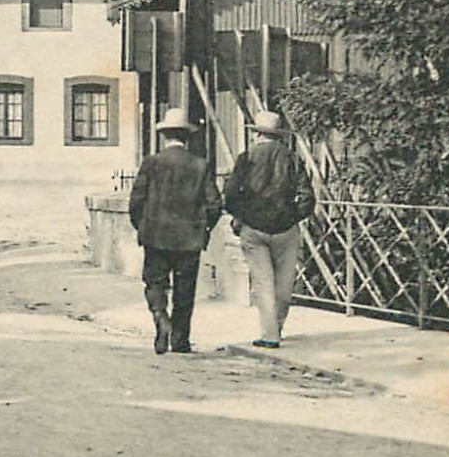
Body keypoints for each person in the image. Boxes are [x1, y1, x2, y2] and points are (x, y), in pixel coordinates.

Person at [128, 108, 221, 355]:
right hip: (189, 239)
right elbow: (214, 204)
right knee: (185, 290)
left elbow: (136, 200)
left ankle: (160, 317)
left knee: (155, 282)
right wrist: (204, 227)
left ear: (164, 136)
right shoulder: (200, 165)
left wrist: (143, 225)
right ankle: (180, 341)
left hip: (156, 237)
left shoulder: (152, 163)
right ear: (187, 137)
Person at [223, 110, 314, 349]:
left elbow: (231, 195)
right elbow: (307, 197)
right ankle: (278, 327)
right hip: (286, 228)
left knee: (263, 282)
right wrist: (292, 216)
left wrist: (240, 217)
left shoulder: (246, 158)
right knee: (284, 282)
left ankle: (270, 333)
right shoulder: (292, 158)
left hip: (254, 229)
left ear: (257, 134)